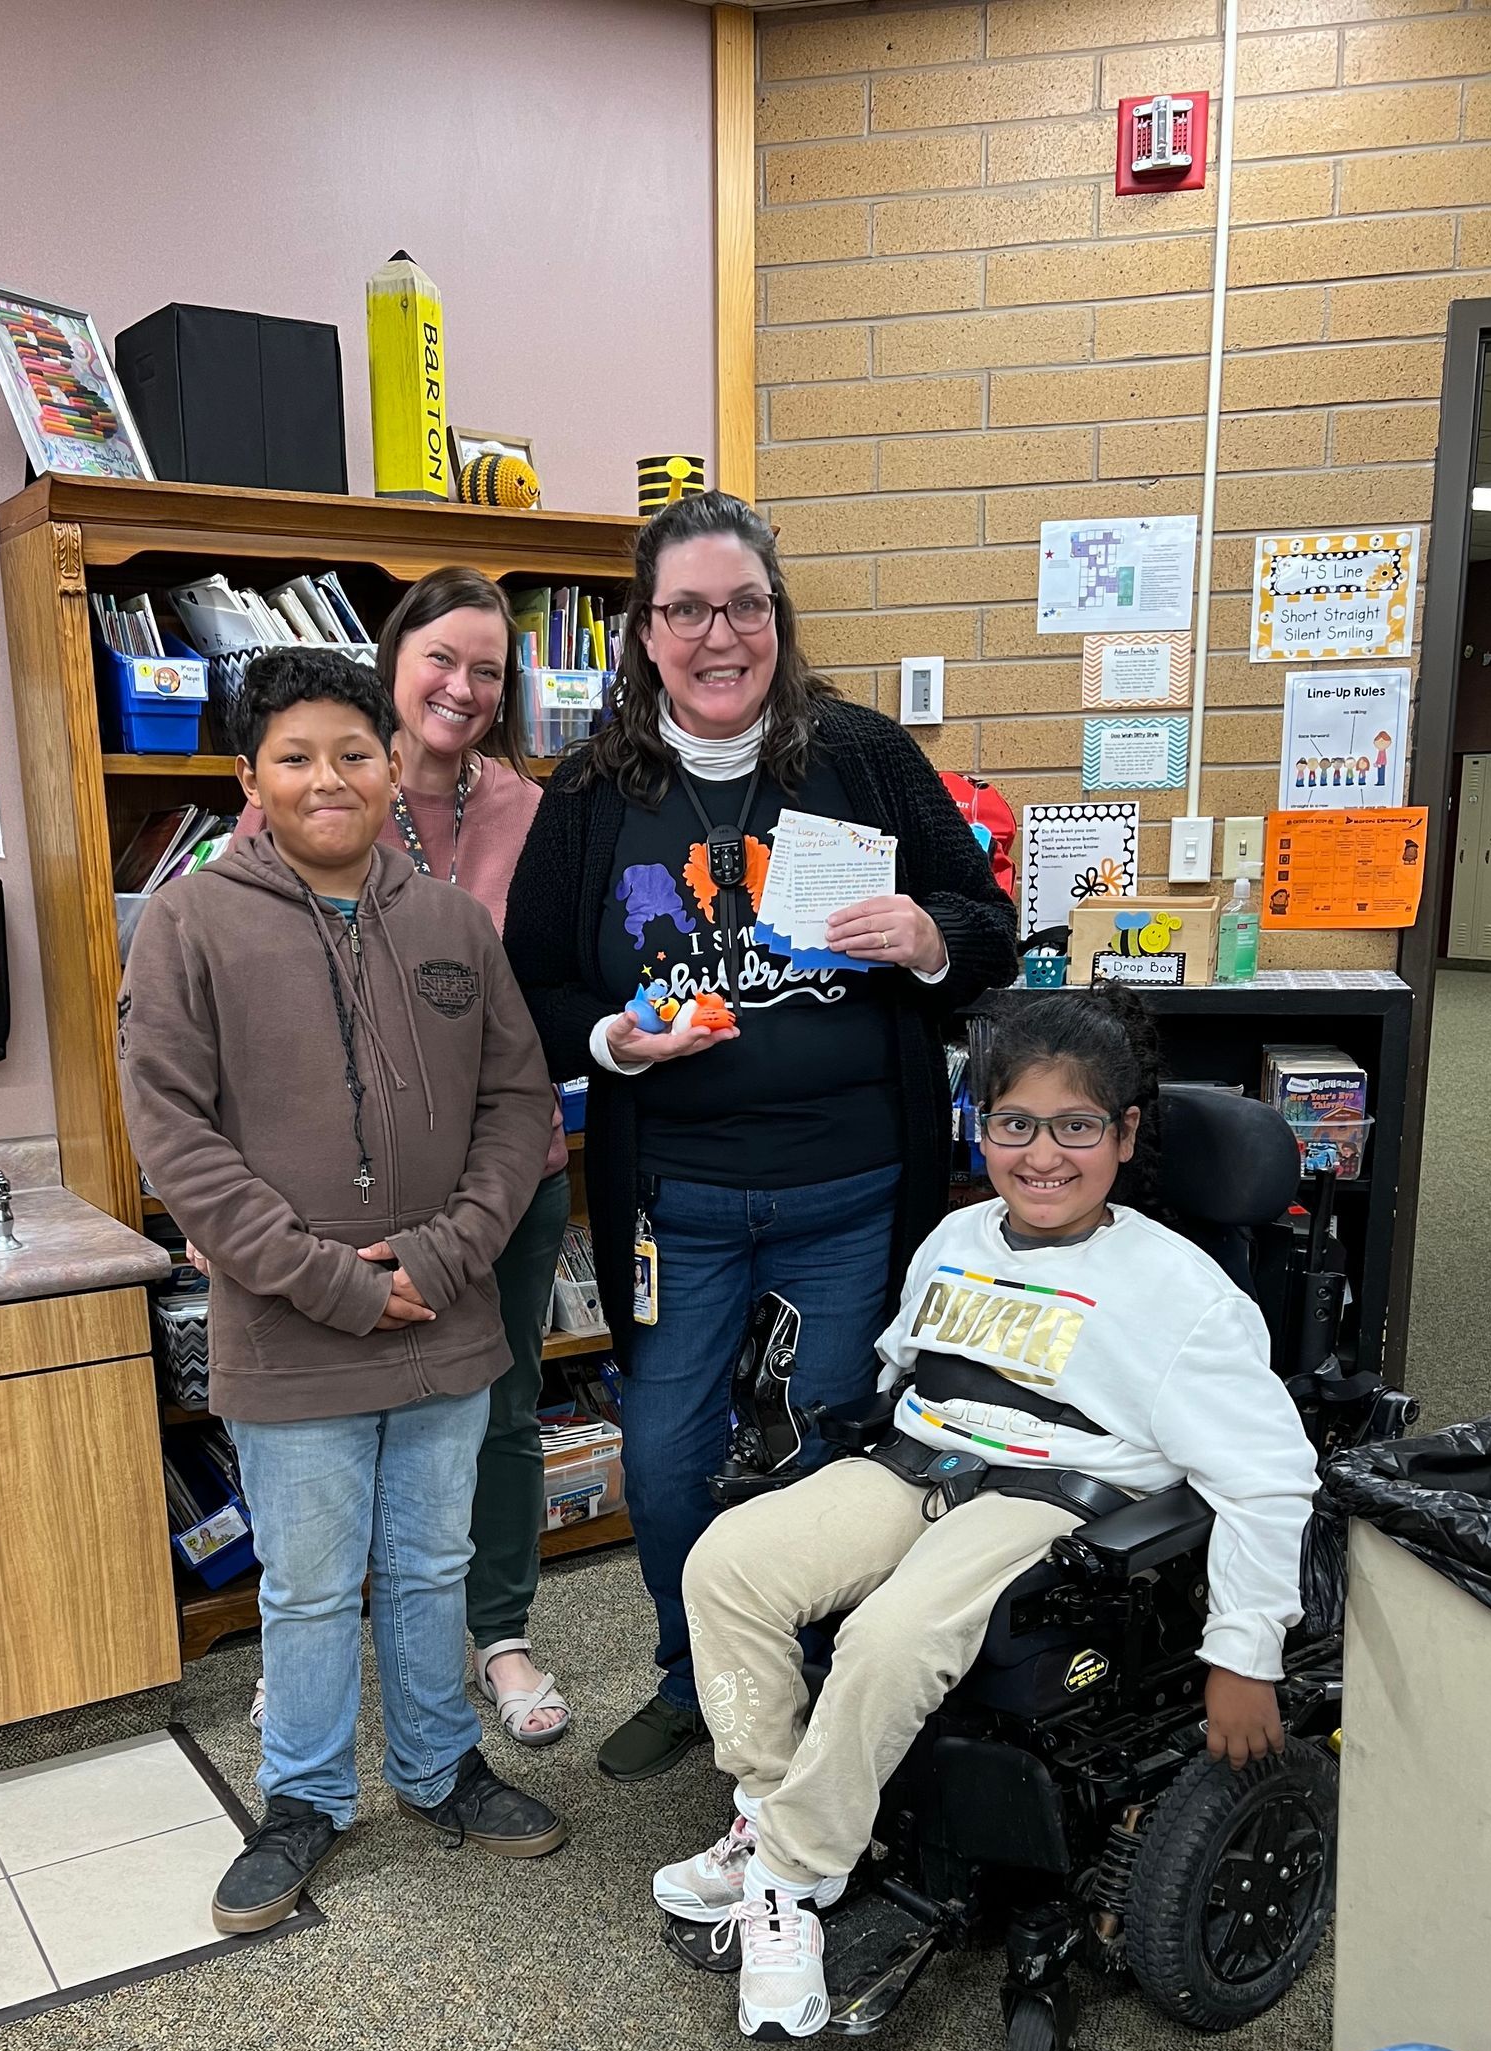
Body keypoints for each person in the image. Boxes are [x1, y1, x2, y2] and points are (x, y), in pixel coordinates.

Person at [657, 986, 1320, 2040]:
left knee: (890, 1636)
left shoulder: (1178, 1294)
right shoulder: (957, 1236)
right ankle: (773, 1808)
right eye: (1014, 1124)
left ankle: (792, 1880)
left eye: (1076, 1127)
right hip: (918, 1460)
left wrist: (1246, 1654)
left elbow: (1270, 1477)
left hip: (1052, 1496)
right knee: (726, 1564)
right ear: (980, 1123)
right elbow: (904, 1366)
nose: (1043, 1154)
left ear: (1125, 1134)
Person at [503, 489, 1015, 1785]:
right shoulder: (591, 793)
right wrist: (617, 1040)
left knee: (836, 1446)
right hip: (676, 1201)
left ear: (777, 618)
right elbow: (537, 989)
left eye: (744, 605)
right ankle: (701, 1675)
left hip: (853, 1189)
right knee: (666, 1458)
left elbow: (984, 914)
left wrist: (930, 935)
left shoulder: (863, 755)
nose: (717, 635)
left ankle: (836, 1691)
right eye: (686, 610)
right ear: (646, 629)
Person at [119, 649, 564, 1935]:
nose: (331, 778)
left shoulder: (449, 923)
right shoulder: (195, 921)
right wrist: (333, 1282)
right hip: (291, 1327)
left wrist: (436, 1259)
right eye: (297, 756)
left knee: (433, 1563)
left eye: (355, 754)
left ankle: (438, 1767)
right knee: (309, 1584)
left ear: (392, 768)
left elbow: (516, 1102)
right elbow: (177, 1139)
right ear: (248, 776)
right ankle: (303, 1799)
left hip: (444, 1319)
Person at [373, 568, 571, 1749]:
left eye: (488, 670)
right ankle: (338, 1637)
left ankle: (498, 1632)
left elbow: (553, 982)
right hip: (361, 1175)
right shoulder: (324, 783)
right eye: (442, 657)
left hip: (512, 1168)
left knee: (500, 1408)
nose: (462, 686)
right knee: (355, 1416)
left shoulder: (532, 813)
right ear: (396, 661)